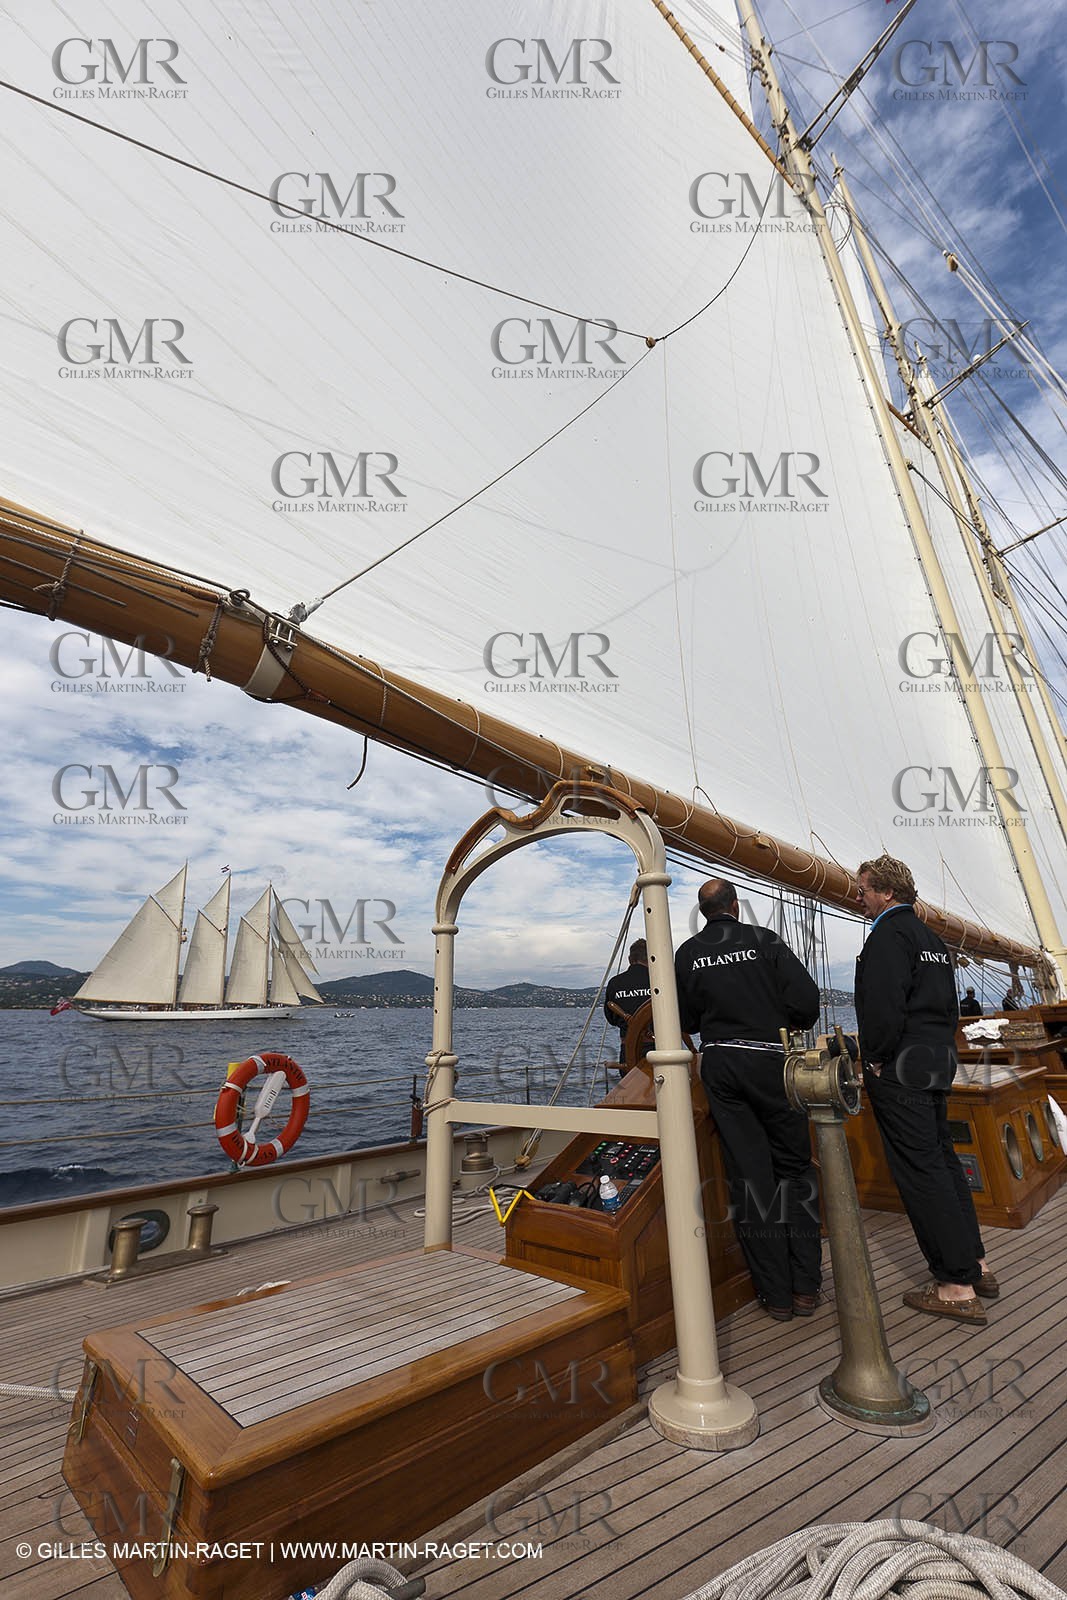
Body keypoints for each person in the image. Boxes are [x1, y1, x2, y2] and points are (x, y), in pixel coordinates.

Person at [854, 854, 996, 1325]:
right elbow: (948, 1010)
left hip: (900, 1068)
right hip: (936, 1061)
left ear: (886, 893)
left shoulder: (886, 937)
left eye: (863, 890)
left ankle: (955, 1285)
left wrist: (875, 1058)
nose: (859, 897)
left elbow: (883, 1008)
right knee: (943, 1162)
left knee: (921, 1172)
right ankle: (976, 1263)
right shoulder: (931, 940)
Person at [674, 878, 822, 1322]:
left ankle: (775, 1295)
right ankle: (806, 1287)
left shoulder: (688, 953)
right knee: (794, 1169)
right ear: (735, 906)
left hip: (723, 1067)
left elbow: (686, 1020)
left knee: (750, 1178)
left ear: (704, 913)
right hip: (773, 1063)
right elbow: (806, 1004)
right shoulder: (766, 941)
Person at [604, 940, 651, 1060]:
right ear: (651, 957)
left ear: (630, 959)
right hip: (659, 1048)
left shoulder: (615, 983)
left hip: (629, 1052)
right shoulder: (661, 980)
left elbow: (611, 1018)